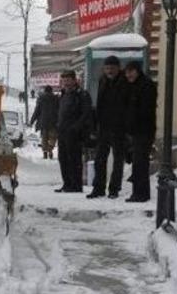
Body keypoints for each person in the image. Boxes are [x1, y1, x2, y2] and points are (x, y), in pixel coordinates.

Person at [88, 56, 129, 199]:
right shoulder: (103, 81)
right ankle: (98, 188)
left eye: (112, 68)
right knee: (100, 158)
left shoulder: (125, 82)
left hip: (119, 126)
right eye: (107, 68)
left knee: (118, 159)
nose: (109, 70)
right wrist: (96, 125)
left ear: (118, 68)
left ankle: (114, 189)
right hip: (104, 126)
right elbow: (99, 102)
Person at [124, 61, 157, 203]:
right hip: (135, 130)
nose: (128, 75)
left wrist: (134, 123)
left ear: (137, 71)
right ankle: (138, 192)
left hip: (144, 130)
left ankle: (141, 193)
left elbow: (144, 110)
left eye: (131, 71)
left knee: (140, 163)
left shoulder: (145, 85)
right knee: (137, 162)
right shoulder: (133, 86)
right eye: (127, 72)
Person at [56, 70, 93, 193]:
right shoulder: (63, 94)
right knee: (63, 158)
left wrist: (76, 128)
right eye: (64, 80)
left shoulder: (81, 95)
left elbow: (86, 113)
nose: (66, 83)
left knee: (74, 159)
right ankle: (67, 183)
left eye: (68, 80)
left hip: (74, 134)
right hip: (62, 132)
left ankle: (76, 185)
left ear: (74, 80)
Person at [30, 86, 59, 159]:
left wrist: (32, 121)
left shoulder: (41, 98)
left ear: (45, 91)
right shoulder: (56, 98)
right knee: (52, 137)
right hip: (54, 122)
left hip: (43, 122)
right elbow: (59, 111)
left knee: (44, 138)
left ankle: (45, 152)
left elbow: (37, 111)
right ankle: (50, 149)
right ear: (51, 91)